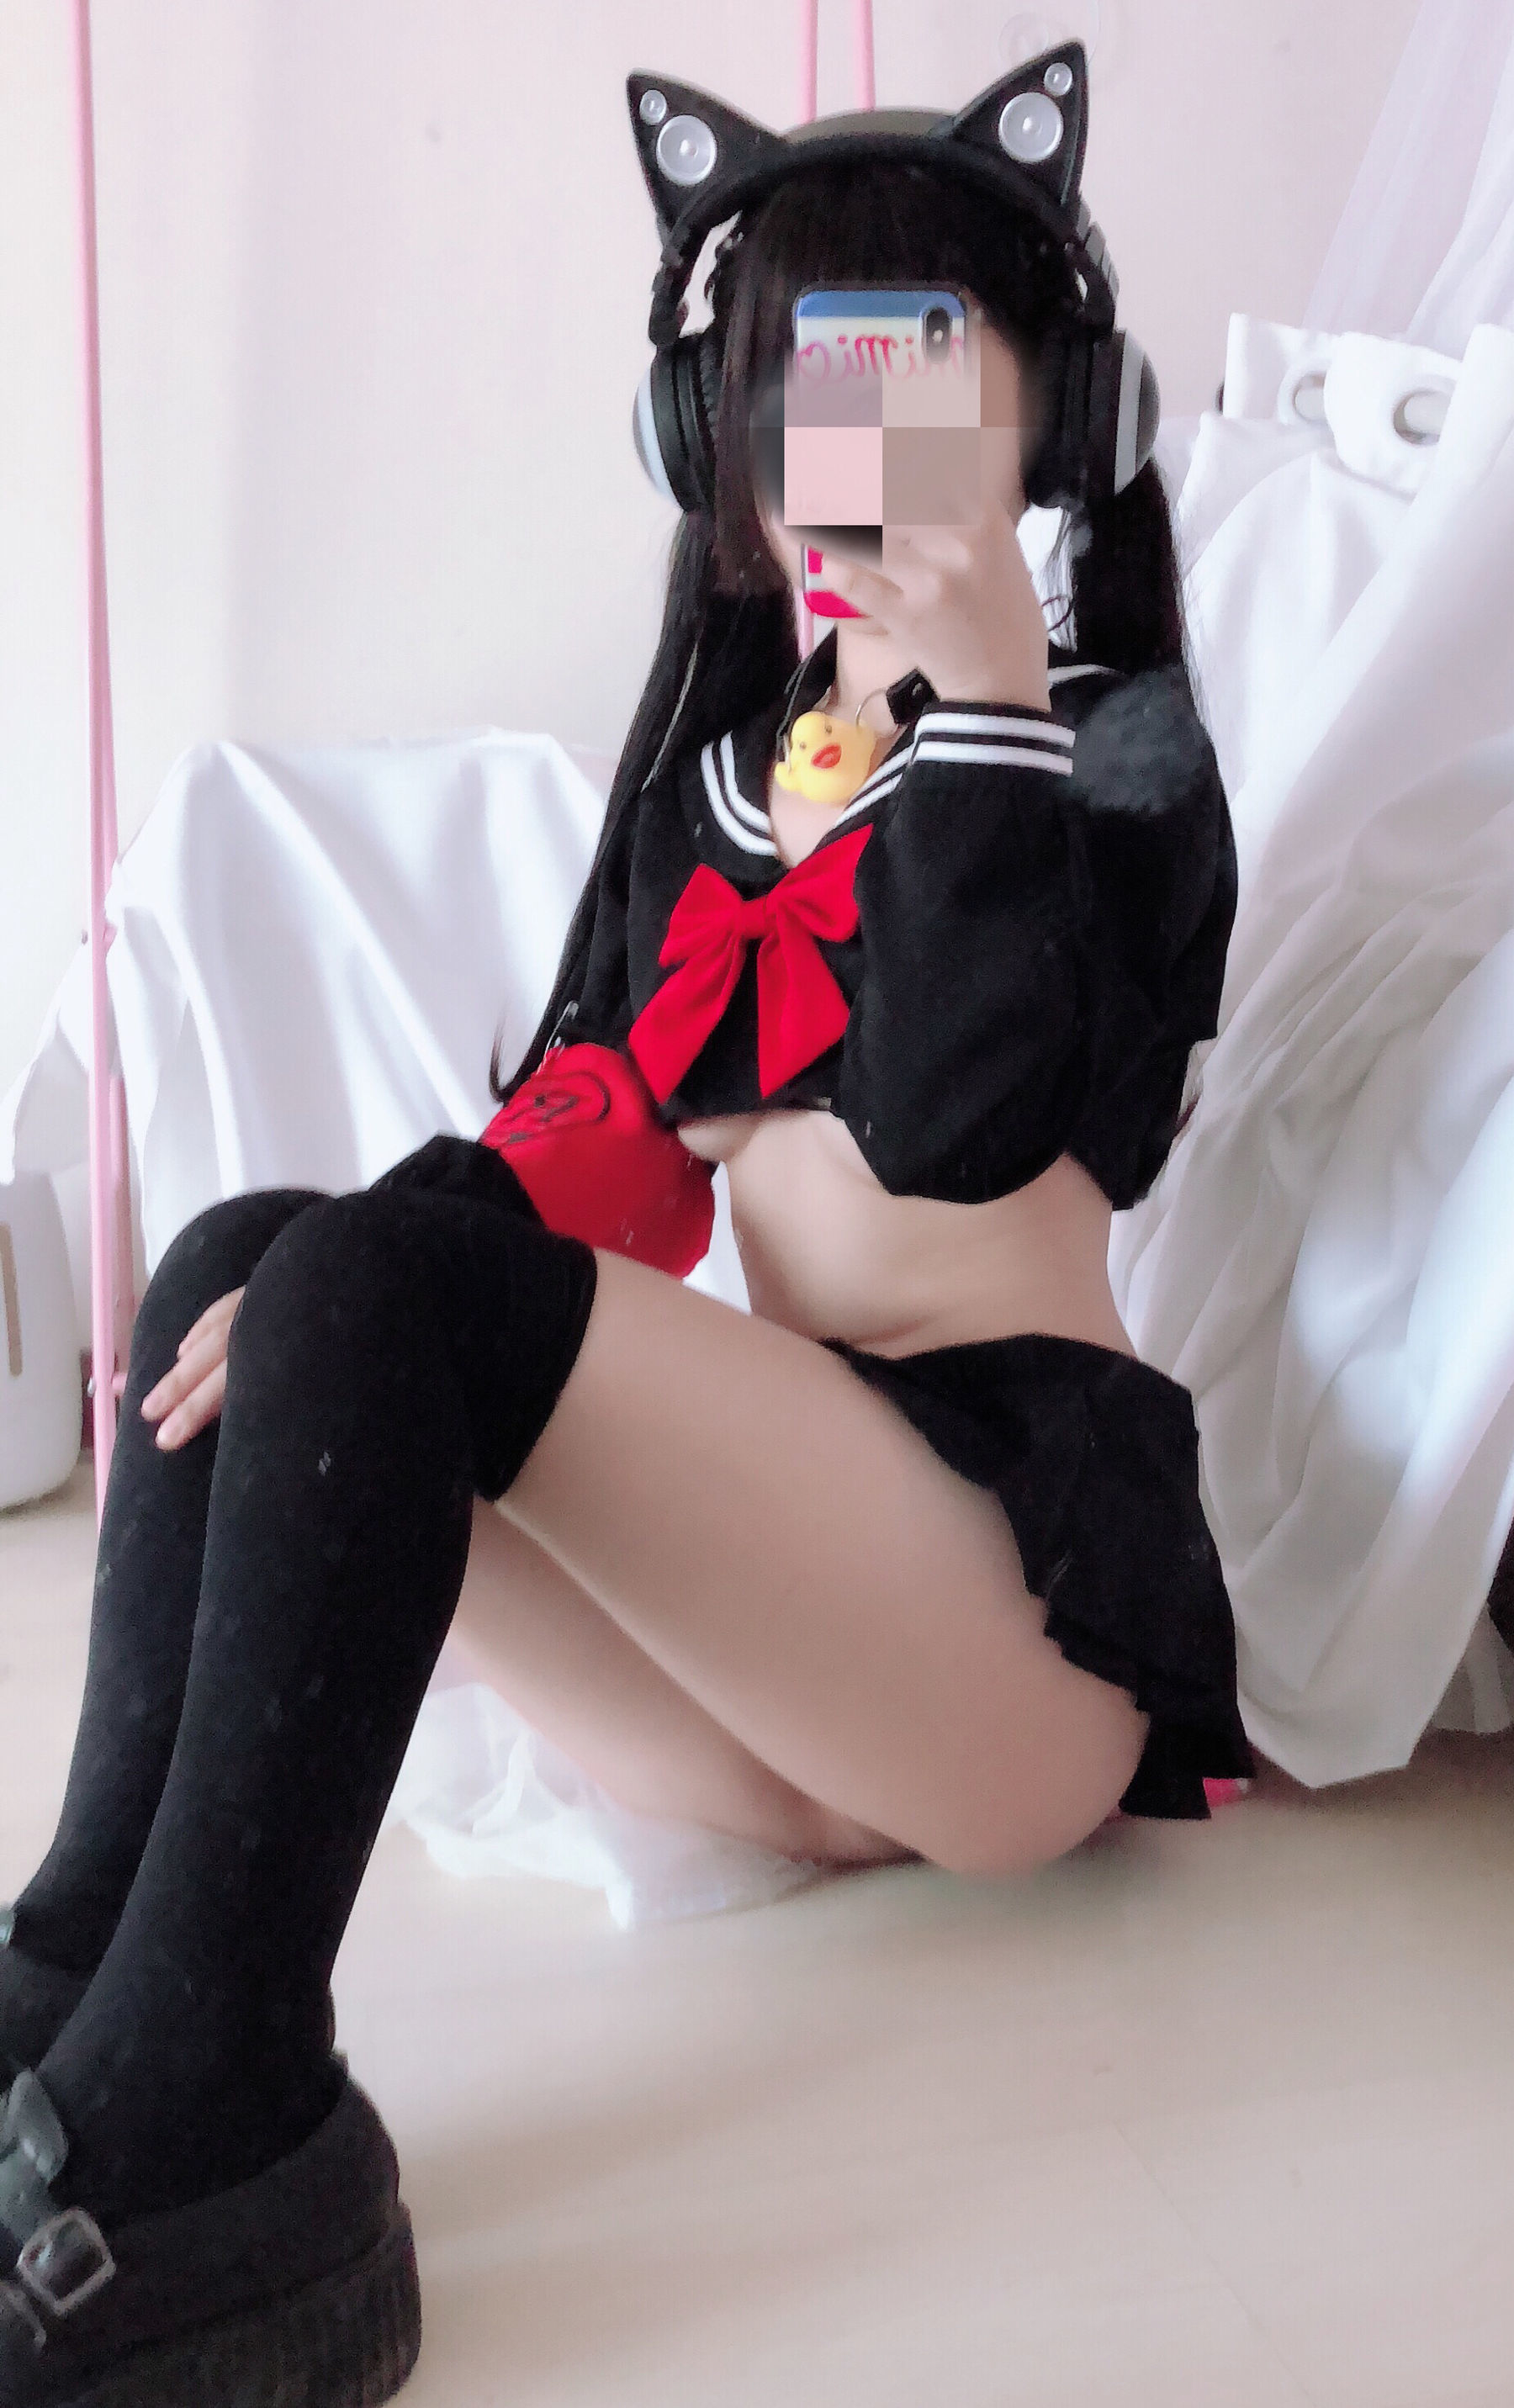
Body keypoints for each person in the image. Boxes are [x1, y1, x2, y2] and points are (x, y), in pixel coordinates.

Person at [0, 55, 1252, 2406]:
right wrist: (346, 1275)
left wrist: (985, 689)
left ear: (1058, 417)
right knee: (255, 1263)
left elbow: (967, 1118)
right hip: (777, 1697)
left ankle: (223, 2123)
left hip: (1007, 1634)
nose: (845, 446)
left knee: (384, 1284)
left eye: (911, 377)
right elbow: (597, 1144)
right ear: (719, 445)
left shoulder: (1120, 759)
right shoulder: (728, 782)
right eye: (795, 392)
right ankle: (81, 1992)